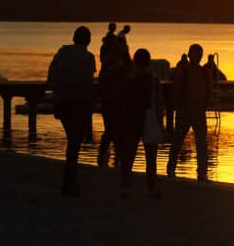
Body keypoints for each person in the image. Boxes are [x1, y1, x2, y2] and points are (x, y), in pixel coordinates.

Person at [48, 26, 96, 196]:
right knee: (75, 142)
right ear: (88, 40)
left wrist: (57, 94)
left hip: (63, 102)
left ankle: (70, 180)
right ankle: (69, 181)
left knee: (72, 140)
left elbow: (51, 76)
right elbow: (88, 84)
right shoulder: (88, 58)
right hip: (79, 104)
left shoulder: (62, 53)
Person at [118, 48, 162, 198]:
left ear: (135, 62)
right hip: (149, 119)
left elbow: (123, 101)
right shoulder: (154, 80)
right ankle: (151, 187)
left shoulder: (129, 79)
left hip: (131, 118)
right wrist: (161, 123)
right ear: (148, 61)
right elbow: (158, 104)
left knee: (129, 155)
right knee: (151, 157)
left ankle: (126, 186)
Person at [167, 44, 211, 181]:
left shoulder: (204, 72)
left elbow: (208, 93)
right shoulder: (185, 71)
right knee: (181, 141)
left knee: (199, 143)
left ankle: (201, 171)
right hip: (186, 111)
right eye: (196, 54)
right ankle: (173, 168)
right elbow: (176, 90)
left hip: (194, 112)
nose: (197, 57)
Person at [97, 22, 132, 167]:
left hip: (114, 99)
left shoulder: (115, 61)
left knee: (112, 128)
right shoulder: (114, 63)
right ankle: (109, 155)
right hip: (113, 99)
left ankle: (110, 156)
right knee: (112, 128)